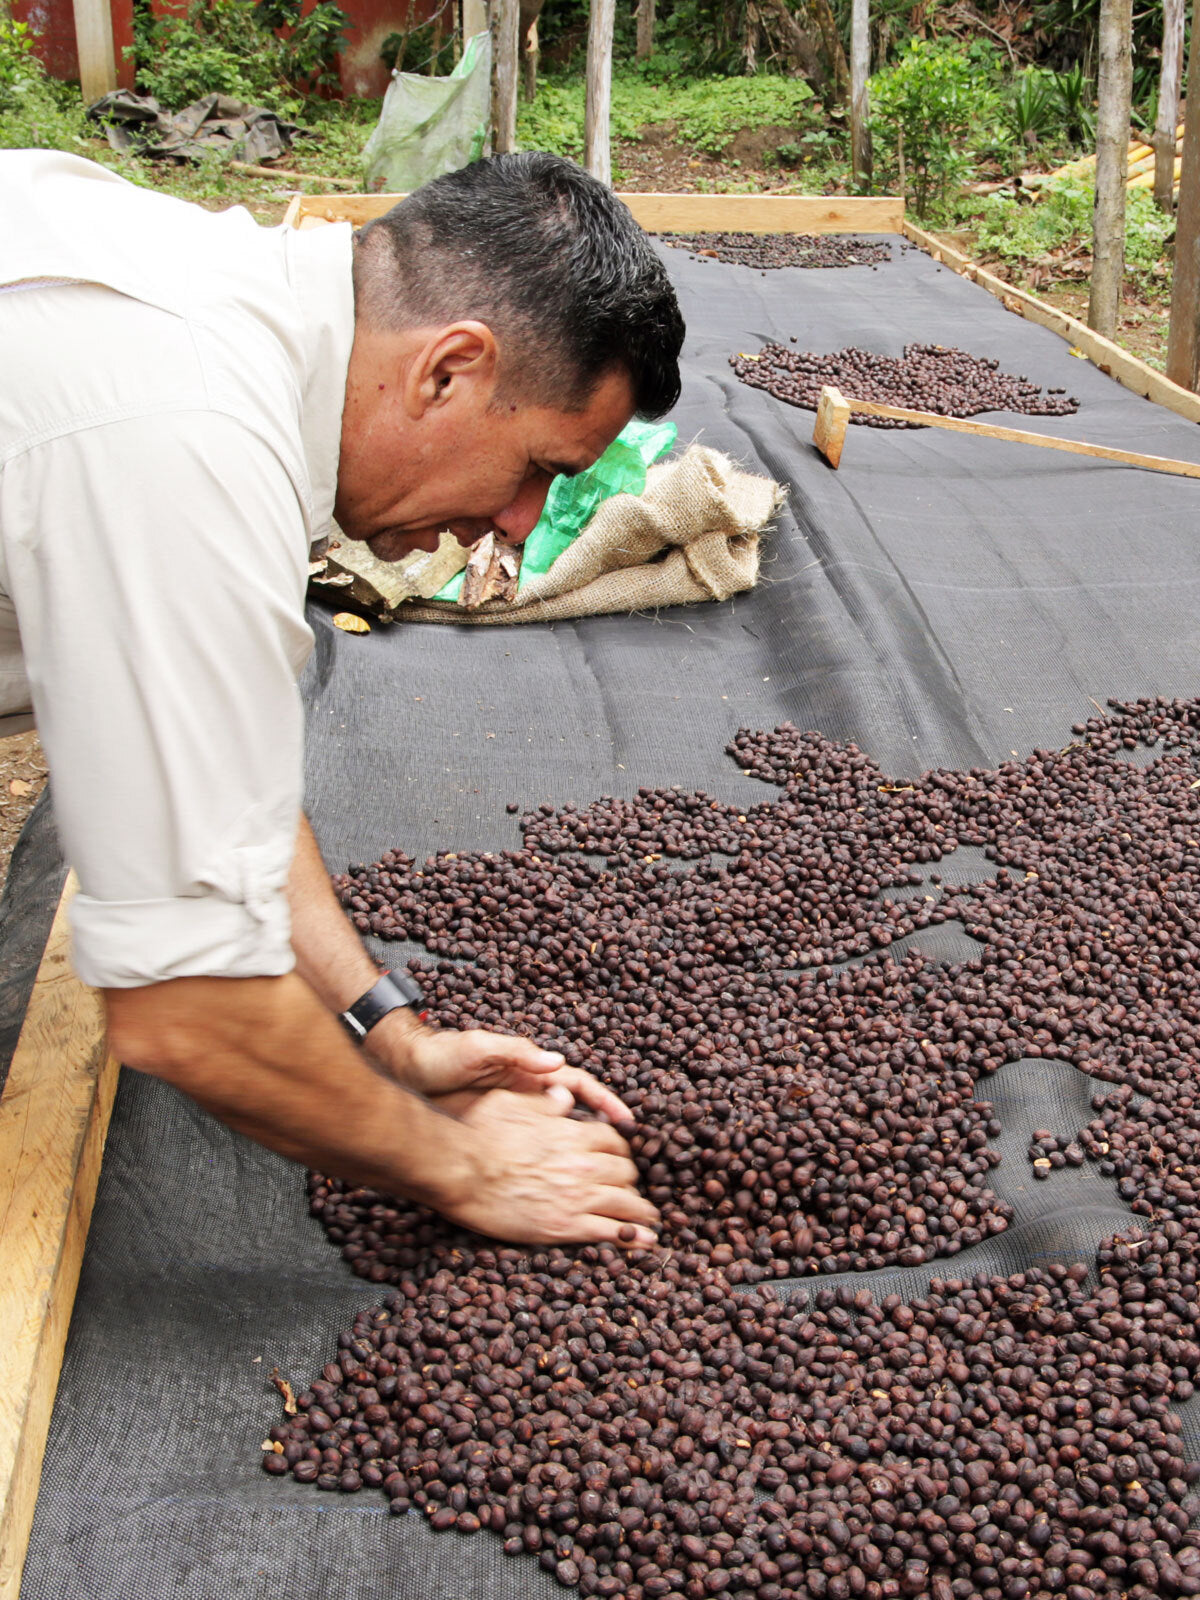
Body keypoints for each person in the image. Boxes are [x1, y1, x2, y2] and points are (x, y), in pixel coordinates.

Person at [0, 148, 685, 1247]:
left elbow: (225, 788)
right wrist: (466, 1167)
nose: (519, 526)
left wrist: (386, 1026)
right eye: (537, 471)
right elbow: (189, 1006)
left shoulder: (238, 323)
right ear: (449, 370)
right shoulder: (186, 442)